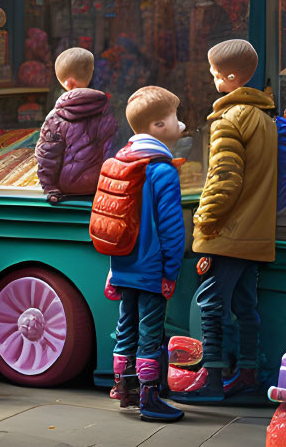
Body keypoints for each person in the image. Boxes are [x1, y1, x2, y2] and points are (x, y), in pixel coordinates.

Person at [179, 39, 277, 403]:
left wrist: (204, 221)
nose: (211, 77)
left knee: (210, 304)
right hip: (255, 234)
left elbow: (224, 179)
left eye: (213, 72)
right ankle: (247, 376)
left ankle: (213, 379)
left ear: (230, 77)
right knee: (245, 307)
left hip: (227, 234)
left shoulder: (228, 120)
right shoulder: (265, 119)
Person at [98, 86, 187, 422]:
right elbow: (172, 229)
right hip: (151, 269)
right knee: (151, 332)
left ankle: (125, 391)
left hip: (121, 264)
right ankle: (150, 400)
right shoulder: (162, 170)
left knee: (126, 327)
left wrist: (113, 268)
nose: (180, 124)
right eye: (174, 119)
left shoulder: (120, 161)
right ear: (158, 127)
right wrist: (171, 271)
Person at [37, 47, 120, 204]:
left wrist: (49, 187)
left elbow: (47, 155)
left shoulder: (55, 117)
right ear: (91, 73)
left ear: (67, 82)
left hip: (66, 189)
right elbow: (111, 152)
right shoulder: (107, 112)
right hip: (99, 188)